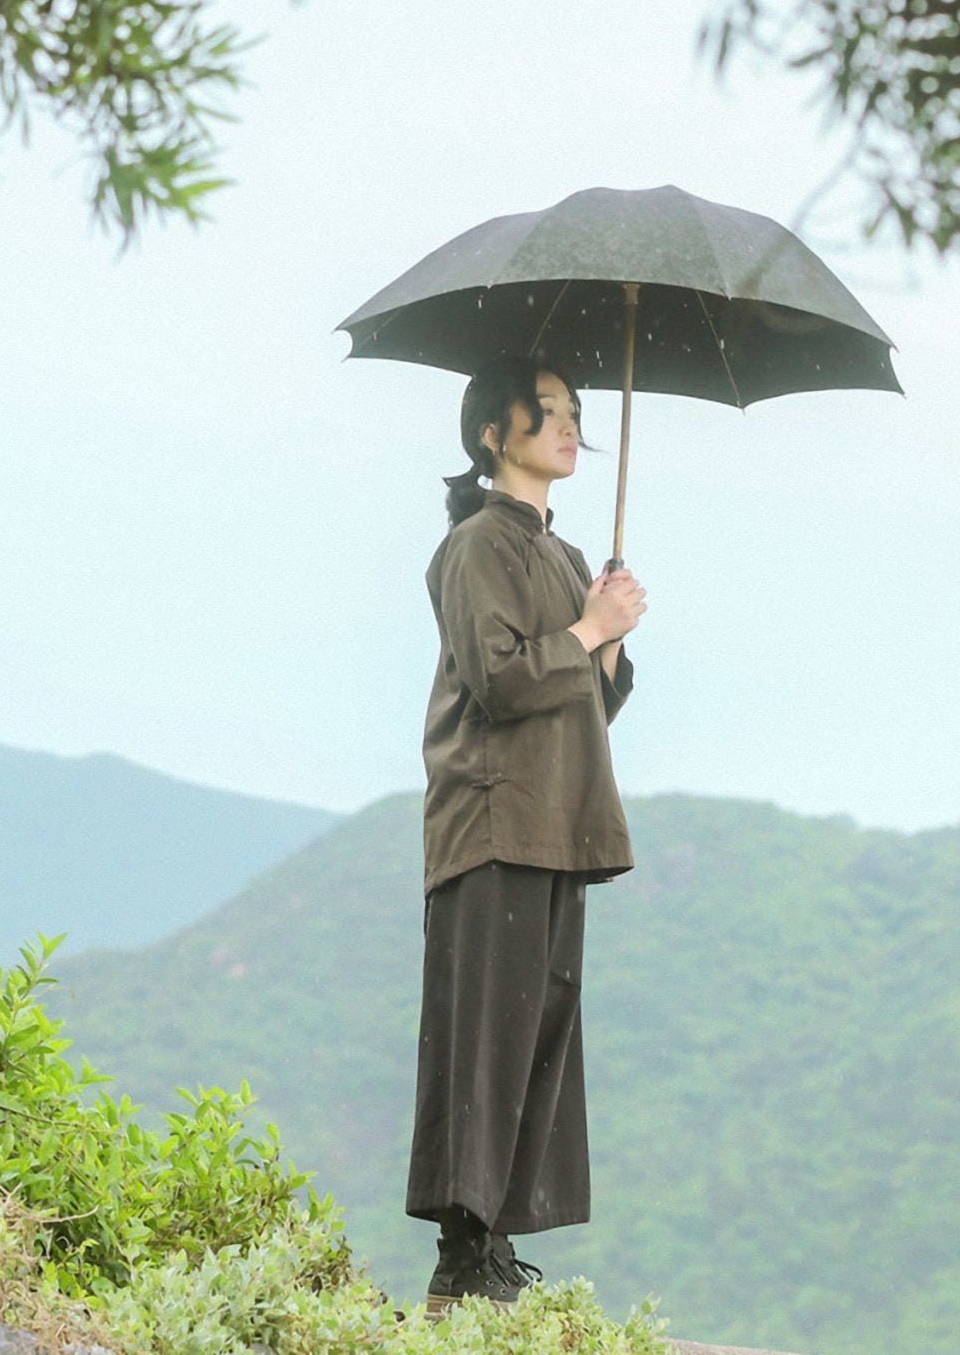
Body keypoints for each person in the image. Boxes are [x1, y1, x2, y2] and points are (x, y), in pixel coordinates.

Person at [406, 354, 647, 1316]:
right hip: (493, 819)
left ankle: (494, 1248)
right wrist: (587, 632)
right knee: (484, 1039)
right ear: (491, 434)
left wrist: (609, 632)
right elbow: (503, 680)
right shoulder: (476, 545)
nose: (568, 425)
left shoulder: (570, 558)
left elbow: (587, 704)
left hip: (559, 822)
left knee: (538, 1036)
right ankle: (461, 1257)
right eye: (545, 411)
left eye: (574, 411)